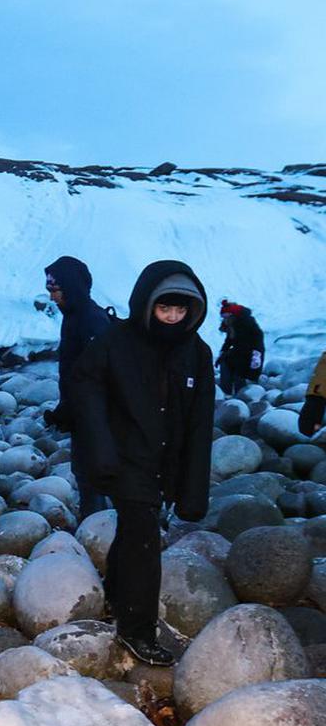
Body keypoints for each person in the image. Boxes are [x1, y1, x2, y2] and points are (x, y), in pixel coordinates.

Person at [72, 260, 215, 666]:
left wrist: (192, 488)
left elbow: (200, 421)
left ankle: (116, 593)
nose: (172, 317)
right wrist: (100, 450)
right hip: (124, 458)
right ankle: (137, 630)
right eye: (164, 308)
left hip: (164, 460)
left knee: (134, 529)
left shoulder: (197, 352)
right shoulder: (116, 341)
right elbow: (84, 386)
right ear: (147, 304)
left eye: (180, 309)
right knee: (144, 537)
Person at [42, 255, 114, 517]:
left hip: (96, 416)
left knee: (91, 471)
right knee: (85, 470)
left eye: (55, 290)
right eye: (50, 290)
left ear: (71, 287)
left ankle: (96, 525)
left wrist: (72, 410)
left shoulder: (91, 320)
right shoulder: (75, 316)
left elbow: (97, 377)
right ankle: (95, 521)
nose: (52, 297)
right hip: (85, 413)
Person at [215, 300, 265, 395]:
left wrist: (256, 355)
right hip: (238, 352)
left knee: (240, 372)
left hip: (250, 354)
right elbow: (229, 341)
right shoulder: (232, 324)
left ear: (232, 315)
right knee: (225, 362)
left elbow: (258, 339)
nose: (224, 319)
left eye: (225, 316)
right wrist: (222, 352)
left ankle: (242, 395)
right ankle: (225, 392)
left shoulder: (247, 322)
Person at [299, 350, 326, 437]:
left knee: (313, 408)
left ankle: (311, 432)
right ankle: (312, 432)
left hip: (315, 391)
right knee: (315, 409)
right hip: (318, 392)